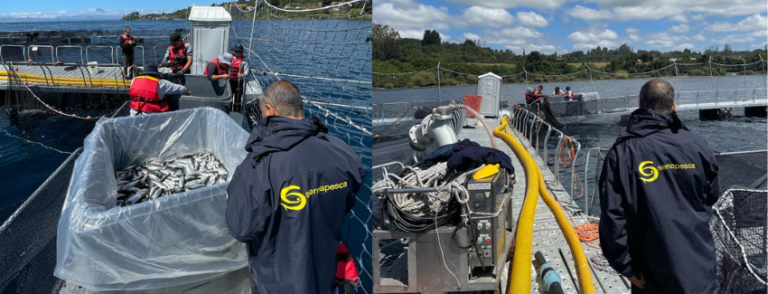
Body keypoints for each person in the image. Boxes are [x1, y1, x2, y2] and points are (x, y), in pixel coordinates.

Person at [226, 80, 365, 294]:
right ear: (299, 108)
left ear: (269, 110)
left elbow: (241, 228)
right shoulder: (343, 152)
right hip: (325, 272)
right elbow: (347, 199)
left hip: (277, 282)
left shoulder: (258, 165)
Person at [598, 79, 719, 294]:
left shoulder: (622, 152)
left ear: (640, 103)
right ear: (673, 107)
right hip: (699, 266)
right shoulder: (697, 143)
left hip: (651, 273)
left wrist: (626, 267)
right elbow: (711, 195)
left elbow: (612, 218)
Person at [230, 44, 246, 110]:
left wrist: (242, 75)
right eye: (236, 51)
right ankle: (229, 110)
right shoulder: (230, 58)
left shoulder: (245, 61)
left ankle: (237, 111)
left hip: (238, 81)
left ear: (241, 52)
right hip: (230, 80)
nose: (237, 53)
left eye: (239, 51)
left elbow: (246, 72)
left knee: (237, 97)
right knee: (229, 96)